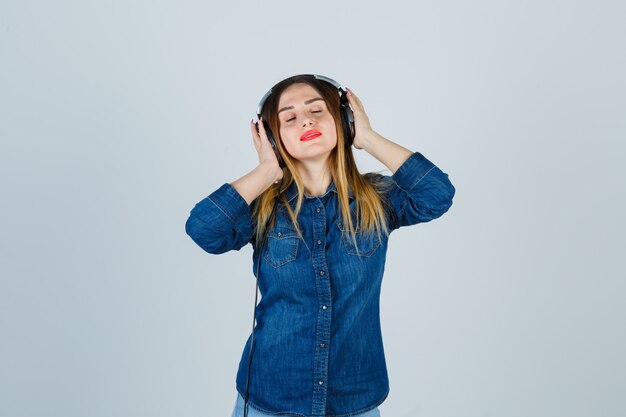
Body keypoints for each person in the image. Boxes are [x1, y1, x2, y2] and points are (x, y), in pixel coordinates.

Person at [185, 74, 456, 417]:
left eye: (317, 110)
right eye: (290, 117)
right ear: (272, 137)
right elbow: (203, 229)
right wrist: (268, 168)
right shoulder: (262, 207)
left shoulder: (378, 198)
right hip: (271, 396)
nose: (307, 120)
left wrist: (368, 138)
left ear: (343, 120)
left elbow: (437, 194)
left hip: (354, 398)